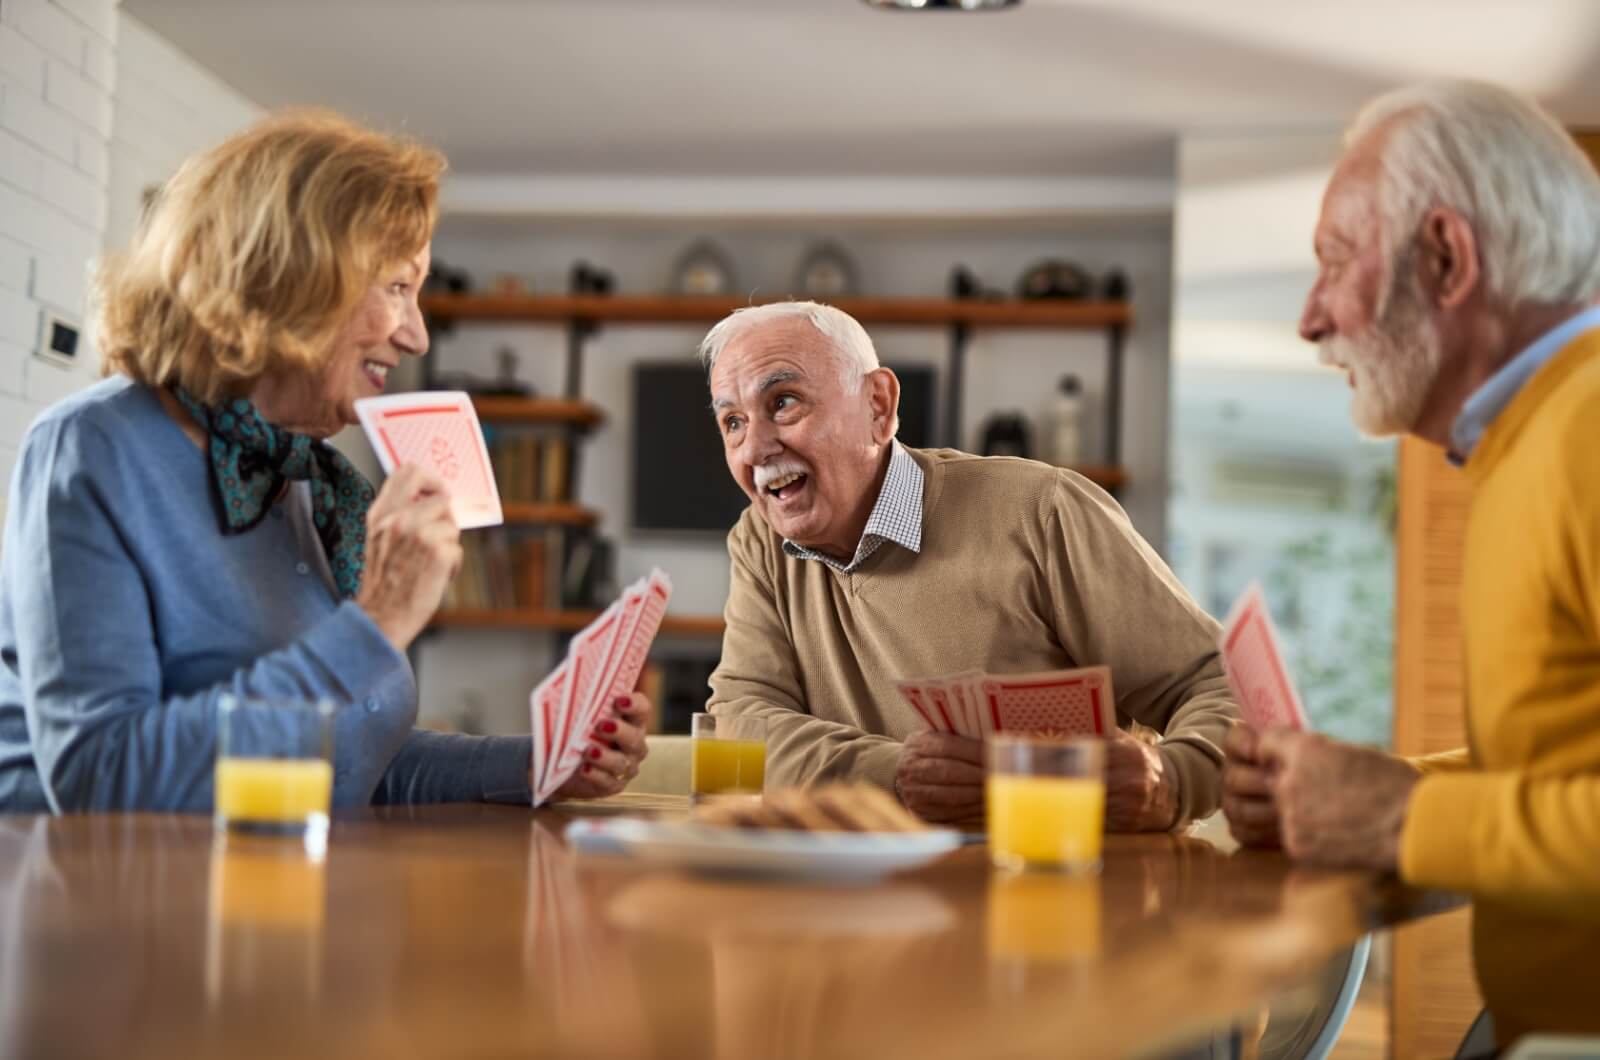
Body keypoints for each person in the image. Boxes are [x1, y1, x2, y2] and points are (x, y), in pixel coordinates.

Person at [0, 110, 648, 813]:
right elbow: (101, 778)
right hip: (114, 905)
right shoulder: (91, 449)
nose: (417, 334)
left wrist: (544, 764)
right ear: (291, 280)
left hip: (276, 891)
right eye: (398, 288)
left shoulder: (308, 481)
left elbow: (353, 762)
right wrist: (374, 624)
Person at [1221, 81, 1600, 1044]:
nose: (1310, 318)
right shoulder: (1532, 439)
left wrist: (1401, 820)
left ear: (1445, 256)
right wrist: (1349, 801)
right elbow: (1562, 774)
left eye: (1335, 262)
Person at [700, 301, 1239, 830]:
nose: (754, 449)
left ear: (878, 406)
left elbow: (1219, 685)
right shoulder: (759, 542)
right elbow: (741, 724)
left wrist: (1169, 783)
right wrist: (899, 776)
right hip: (858, 898)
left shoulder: (1042, 511)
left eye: (785, 402)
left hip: (1058, 882)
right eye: (733, 422)